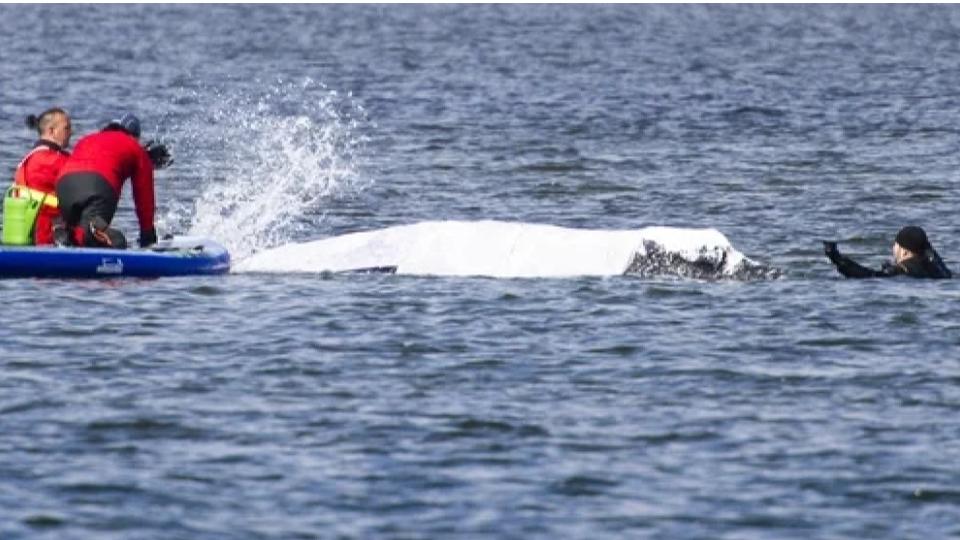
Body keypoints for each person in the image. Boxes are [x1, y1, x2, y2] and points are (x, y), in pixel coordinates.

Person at [54, 113, 171, 249]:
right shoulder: (136, 149)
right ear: (134, 136)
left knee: (80, 233)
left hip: (63, 186)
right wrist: (148, 237)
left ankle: (65, 233)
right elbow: (144, 198)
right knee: (117, 241)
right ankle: (94, 230)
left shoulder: (88, 139)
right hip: (97, 186)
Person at [12, 107, 72, 245]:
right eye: (66, 128)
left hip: (27, 233)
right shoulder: (51, 160)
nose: (71, 132)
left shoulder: (29, 159)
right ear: (51, 131)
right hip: (48, 237)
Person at [824, 225, 952, 279]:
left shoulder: (901, 270)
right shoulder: (938, 268)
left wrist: (836, 258)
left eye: (896, 245)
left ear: (905, 252)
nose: (893, 249)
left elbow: (868, 276)